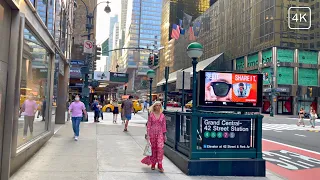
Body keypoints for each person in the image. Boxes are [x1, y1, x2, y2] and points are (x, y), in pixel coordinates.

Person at [141, 101, 167, 173]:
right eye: (157, 105)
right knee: (153, 149)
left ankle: (160, 164)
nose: (158, 107)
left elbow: (164, 125)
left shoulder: (162, 115)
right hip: (152, 133)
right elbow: (149, 125)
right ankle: (153, 163)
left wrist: (164, 135)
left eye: (159, 105)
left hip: (160, 133)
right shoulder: (151, 115)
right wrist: (148, 135)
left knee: (160, 148)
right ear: (154, 106)